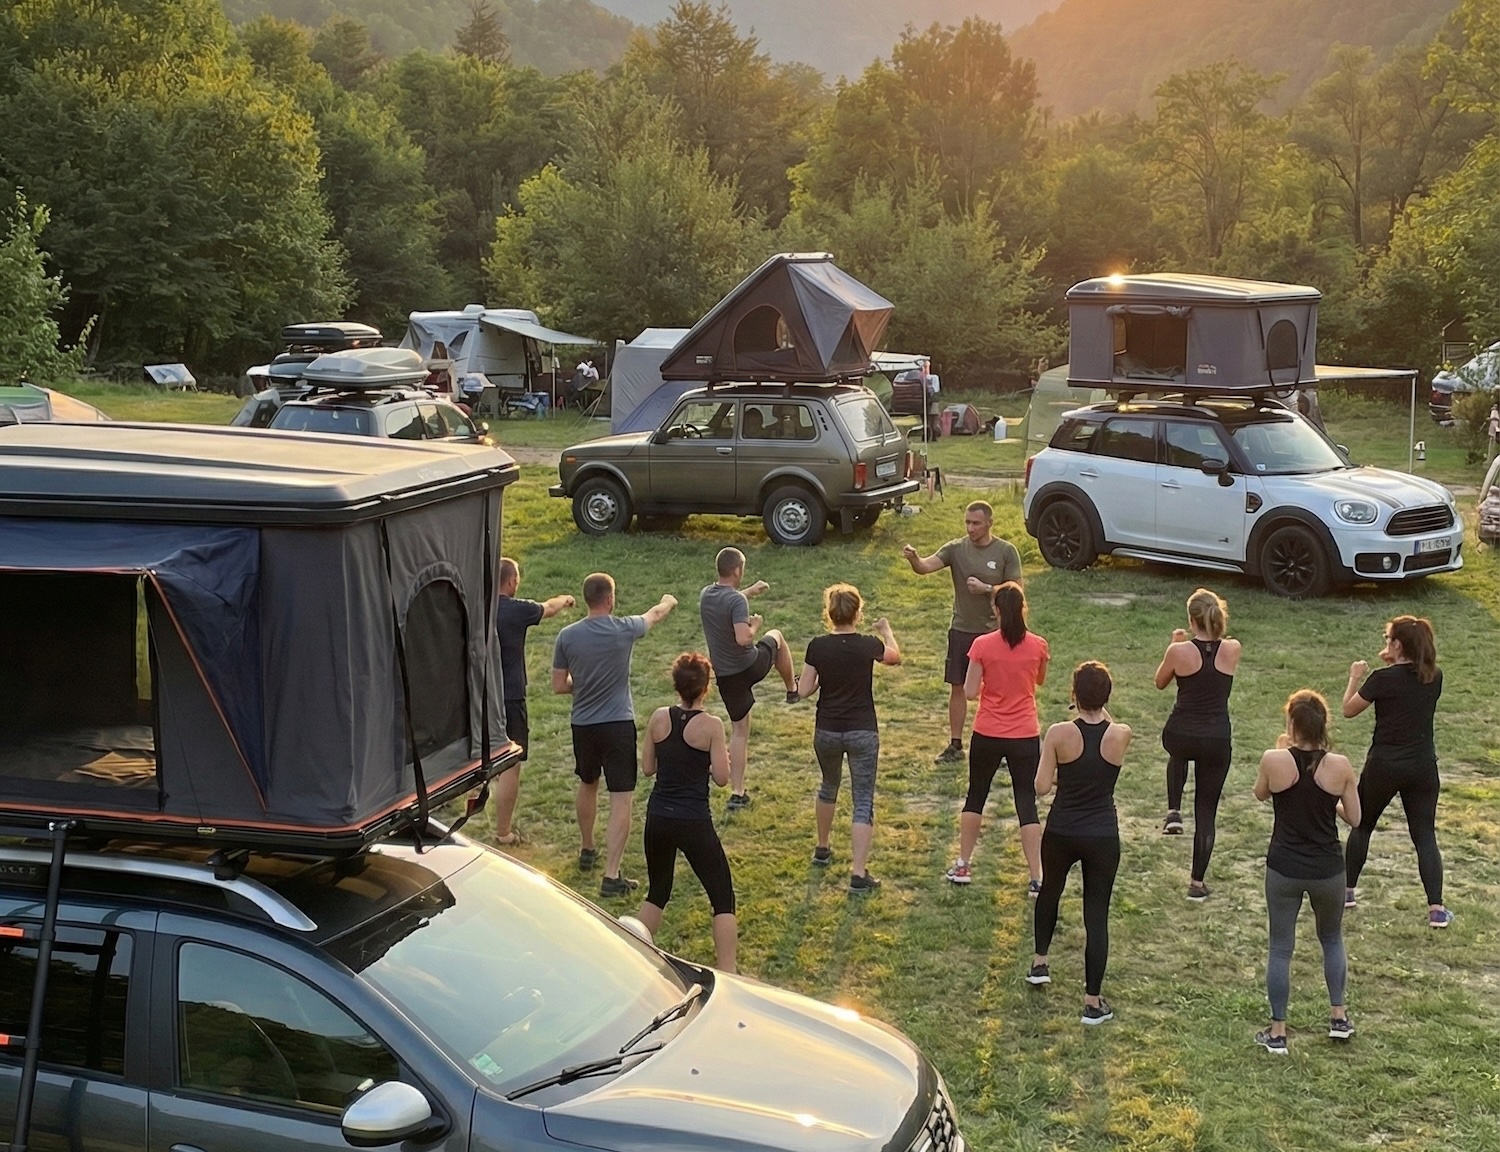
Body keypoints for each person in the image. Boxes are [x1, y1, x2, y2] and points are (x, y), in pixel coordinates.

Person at [552, 573, 677, 897]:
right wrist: (668, 600)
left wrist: (583, 686)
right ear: (609, 599)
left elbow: (558, 685)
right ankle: (611, 875)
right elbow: (655, 615)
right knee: (621, 797)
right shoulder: (623, 629)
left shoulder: (567, 636)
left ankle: (587, 847)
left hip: (584, 724)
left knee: (587, 782)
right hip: (617, 724)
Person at [1252, 689, 1361, 1055]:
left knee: (1281, 947)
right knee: (1331, 939)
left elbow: (1260, 794)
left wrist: (1281, 747)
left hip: (1284, 866)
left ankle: (1278, 1030)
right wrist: (1331, 804)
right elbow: (1356, 818)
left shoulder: (1274, 759)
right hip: (1328, 868)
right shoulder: (1341, 765)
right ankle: (1339, 1016)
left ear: (1292, 724)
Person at [1028, 661, 1132, 1027]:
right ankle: (1092, 1000)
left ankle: (1040, 962)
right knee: (1096, 912)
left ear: (1074, 695)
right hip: (1102, 833)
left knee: (1050, 891)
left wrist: (1060, 778)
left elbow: (1040, 787)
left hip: (1062, 829)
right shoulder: (1120, 733)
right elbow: (1106, 734)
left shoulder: (1058, 733)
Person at [1341, 615, 1453, 928]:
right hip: (1422, 766)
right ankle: (1436, 909)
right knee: (1425, 836)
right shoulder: (1435, 676)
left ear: (1397, 645)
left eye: (1388, 639)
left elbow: (1349, 710)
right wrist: (1396, 658)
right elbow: (1409, 676)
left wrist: (1355, 676)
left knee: (1362, 826)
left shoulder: (1381, 678)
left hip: (1385, 765)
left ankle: (1347, 892)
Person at [797, 583, 901, 893]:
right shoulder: (867, 644)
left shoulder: (817, 646)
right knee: (862, 800)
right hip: (862, 731)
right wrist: (886, 630)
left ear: (829, 614)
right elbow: (894, 657)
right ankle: (857, 873)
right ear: (858, 613)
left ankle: (823, 847)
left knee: (828, 785)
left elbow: (804, 690)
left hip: (826, 730)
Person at [636, 653, 738, 970]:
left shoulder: (658, 718)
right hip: (693, 820)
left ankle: (633, 957)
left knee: (658, 892)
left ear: (676, 685)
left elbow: (648, 768)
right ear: (706, 688)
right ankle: (729, 972)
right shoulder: (711, 726)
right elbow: (723, 778)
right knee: (722, 897)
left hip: (658, 817)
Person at [901, 501, 1023, 764]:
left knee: (997, 689)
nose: (970, 528)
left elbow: (1017, 589)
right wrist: (914, 559)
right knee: (957, 687)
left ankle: (1001, 743)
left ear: (990, 522)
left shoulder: (1006, 551)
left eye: (976, 523)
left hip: (995, 632)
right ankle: (955, 745)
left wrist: (988, 589)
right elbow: (926, 567)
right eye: (967, 522)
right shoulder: (956, 549)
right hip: (962, 630)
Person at [946, 582, 1049, 893]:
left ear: (996, 609)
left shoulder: (982, 645)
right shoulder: (1038, 645)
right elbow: (1039, 680)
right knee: (1026, 803)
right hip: (1025, 734)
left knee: (976, 796)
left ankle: (964, 863)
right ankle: (1036, 876)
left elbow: (970, 691)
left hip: (988, 731)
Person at [1154, 587, 1241, 901]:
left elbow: (1160, 682)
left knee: (1177, 753)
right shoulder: (1232, 649)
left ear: (1191, 620)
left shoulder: (1179, 652)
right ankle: (1197, 883)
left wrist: (1174, 645)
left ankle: (1173, 810)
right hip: (1217, 735)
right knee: (1206, 813)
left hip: (1181, 730)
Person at [699, 547, 798, 810]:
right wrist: (756, 624)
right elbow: (743, 638)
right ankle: (792, 687)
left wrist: (750, 591)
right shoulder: (736, 602)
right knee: (776, 636)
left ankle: (738, 792)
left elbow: (728, 602)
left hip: (726, 676)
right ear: (737, 570)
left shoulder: (706, 595)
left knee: (739, 731)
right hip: (749, 665)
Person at [492, 557, 575, 846]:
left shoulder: (475, 607)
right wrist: (565, 599)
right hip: (510, 696)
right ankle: (503, 832)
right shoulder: (517, 610)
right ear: (512, 582)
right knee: (510, 764)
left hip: (478, 695)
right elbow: (549, 608)